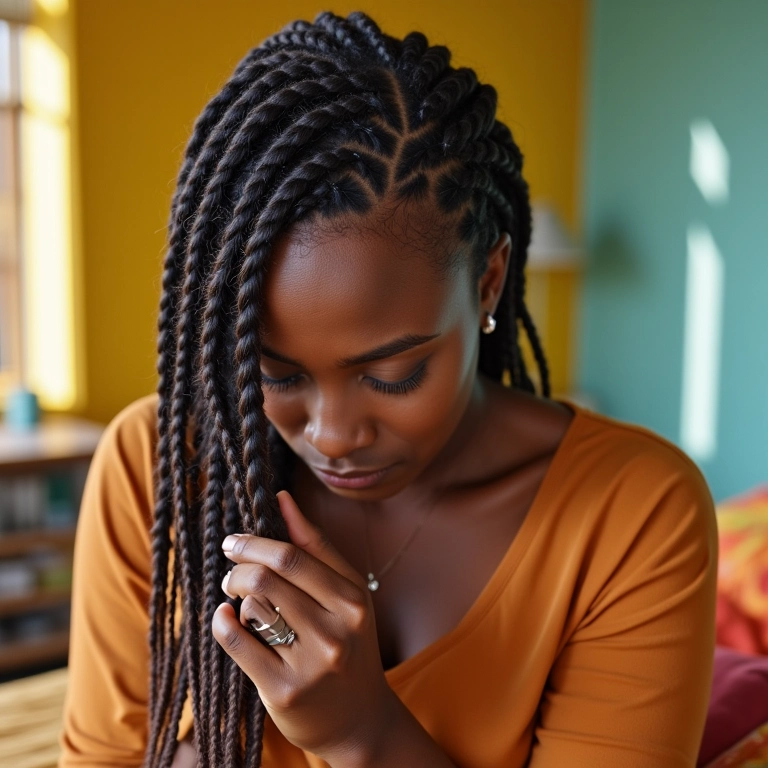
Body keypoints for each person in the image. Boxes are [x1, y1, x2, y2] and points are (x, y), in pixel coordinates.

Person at [59, 11, 717, 768]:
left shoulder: (632, 513)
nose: (333, 434)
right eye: (276, 373)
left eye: (391, 374)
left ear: (489, 281)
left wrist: (360, 733)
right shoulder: (158, 468)